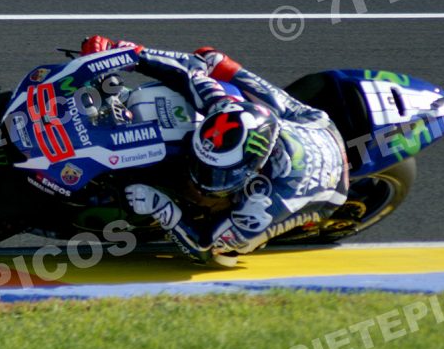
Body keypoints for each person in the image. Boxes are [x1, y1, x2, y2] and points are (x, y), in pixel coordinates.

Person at [82, 36, 349, 267]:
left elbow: (207, 249)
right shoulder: (224, 108)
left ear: (253, 170)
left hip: (329, 185)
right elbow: (189, 70)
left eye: (216, 173)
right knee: (212, 60)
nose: (199, 178)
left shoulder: (266, 203)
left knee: (233, 249)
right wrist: (120, 52)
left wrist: (161, 207)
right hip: (312, 123)